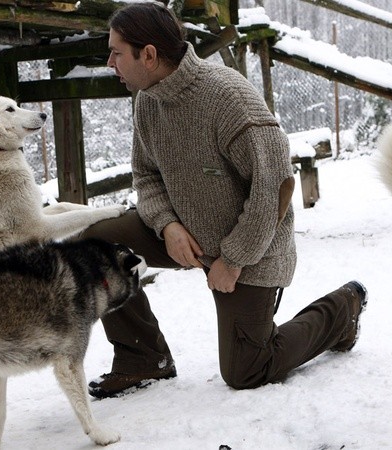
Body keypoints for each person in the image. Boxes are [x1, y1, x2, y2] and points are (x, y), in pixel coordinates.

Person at [82, 2, 368, 399]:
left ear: (148, 55)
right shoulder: (148, 99)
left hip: (252, 248)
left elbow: (274, 190)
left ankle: (343, 310)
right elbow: (145, 176)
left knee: (247, 370)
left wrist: (232, 261)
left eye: (116, 52)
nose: (109, 62)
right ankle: (143, 359)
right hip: (188, 235)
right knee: (96, 242)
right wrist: (168, 225)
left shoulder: (228, 97)